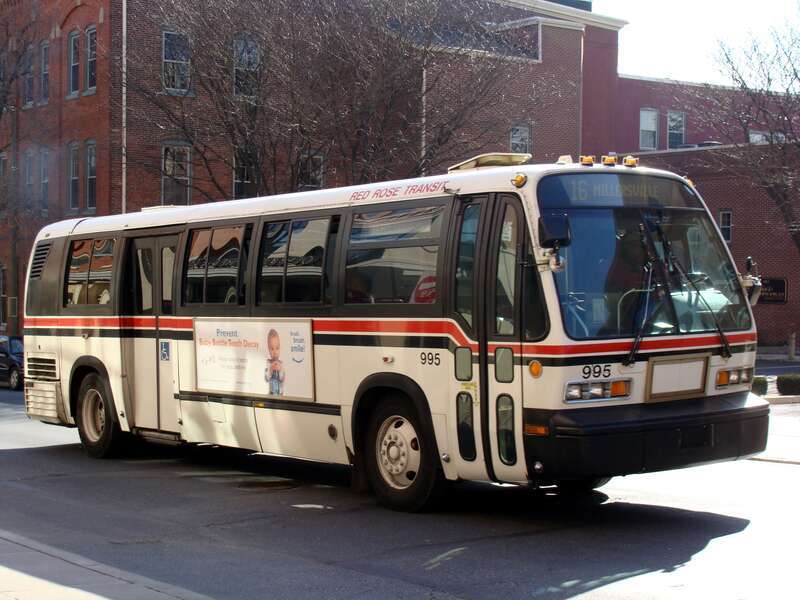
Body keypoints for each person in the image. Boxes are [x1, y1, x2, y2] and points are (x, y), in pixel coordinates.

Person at [265, 328, 285, 396]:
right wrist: (270, 370)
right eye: (272, 349)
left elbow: (282, 378)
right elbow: (266, 378)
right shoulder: (268, 363)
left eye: (277, 348)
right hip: (271, 393)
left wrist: (280, 370)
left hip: (280, 393)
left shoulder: (281, 363)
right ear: (268, 349)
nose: (275, 352)